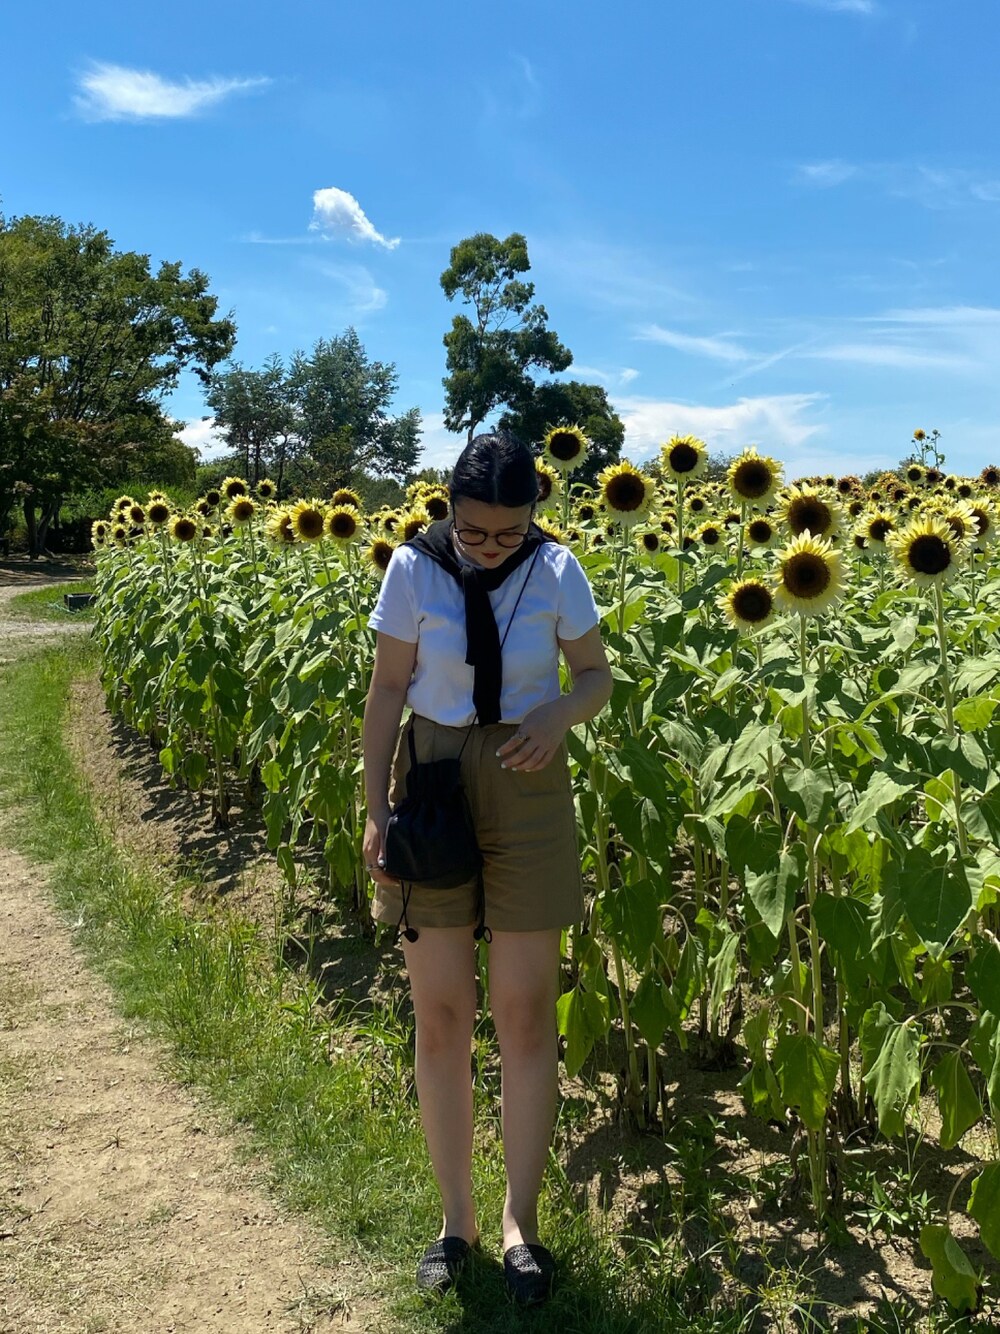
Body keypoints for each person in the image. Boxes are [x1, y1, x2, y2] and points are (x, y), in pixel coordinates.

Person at [361, 430, 612, 1306]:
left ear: (534, 514)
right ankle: (455, 1221)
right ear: (449, 508)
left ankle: (520, 1226)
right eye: (474, 531)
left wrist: (560, 716)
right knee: (440, 1015)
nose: (492, 546)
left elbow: (595, 676)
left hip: (529, 780)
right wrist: (376, 810)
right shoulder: (413, 568)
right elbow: (387, 690)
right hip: (432, 780)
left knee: (527, 1013)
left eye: (510, 531)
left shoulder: (557, 570)